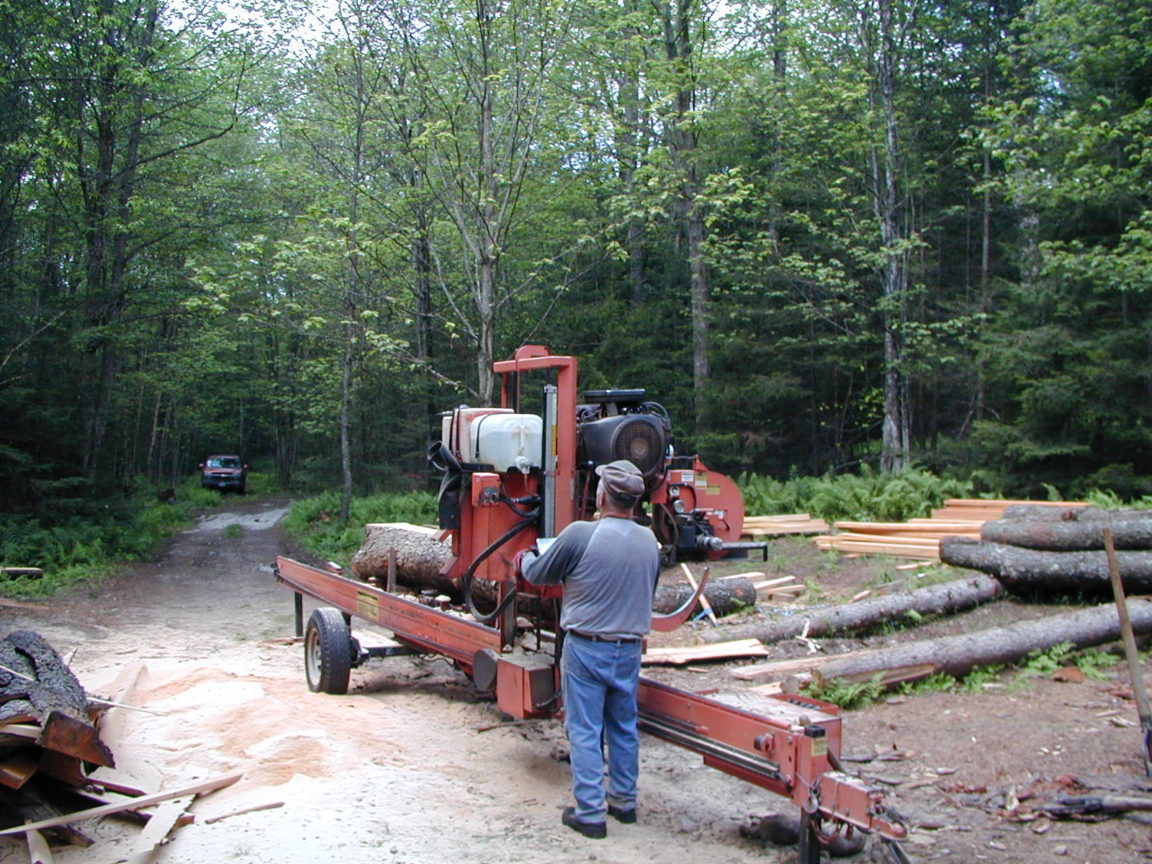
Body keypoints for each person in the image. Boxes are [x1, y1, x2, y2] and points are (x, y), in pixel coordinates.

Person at [519, 459, 661, 839]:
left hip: (587, 648)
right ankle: (624, 802)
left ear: (601, 495)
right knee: (624, 726)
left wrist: (524, 558)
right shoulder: (650, 540)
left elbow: (538, 574)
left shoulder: (581, 534)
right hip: (629, 649)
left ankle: (590, 814)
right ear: (634, 501)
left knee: (584, 729)